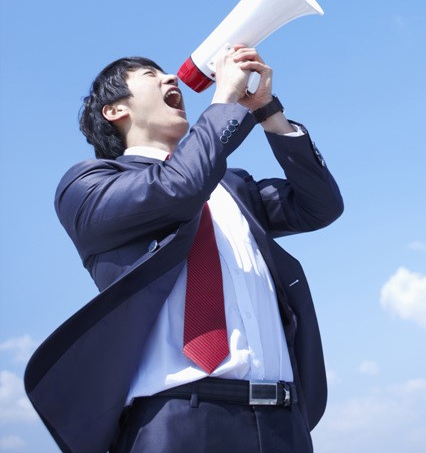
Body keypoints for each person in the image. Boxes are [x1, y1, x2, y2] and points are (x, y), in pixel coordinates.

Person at [25, 45, 344, 453]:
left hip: (285, 423)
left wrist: (267, 112)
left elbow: (320, 206)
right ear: (115, 111)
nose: (171, 79)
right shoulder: (88, 186)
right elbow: (178, 188)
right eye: (149, 75)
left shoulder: (233, 185)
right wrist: (224, 101)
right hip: (178, 421)